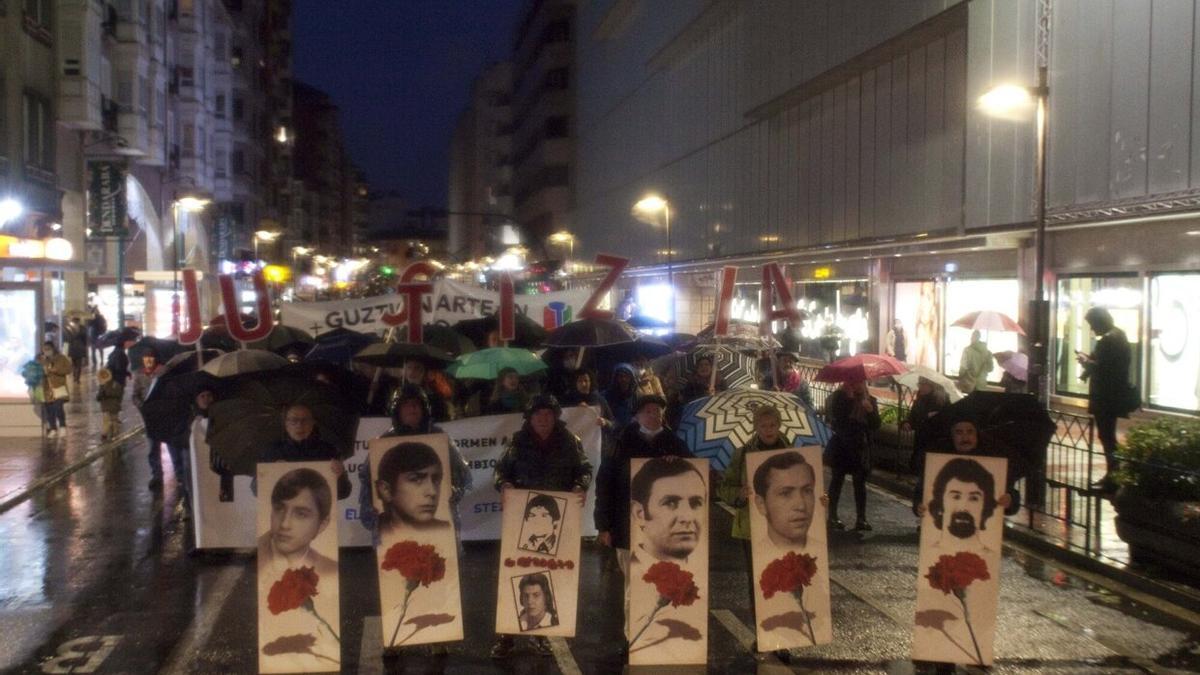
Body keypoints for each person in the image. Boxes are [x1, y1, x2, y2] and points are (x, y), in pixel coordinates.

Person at [491, 394, 592, 658]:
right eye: (538, 415)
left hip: (555, 521)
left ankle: (543, 632)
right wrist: (505, 485)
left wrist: (580, 486)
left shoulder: (571, 441)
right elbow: (500, 470)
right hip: (522, 518)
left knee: (549, 578)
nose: (543, 419)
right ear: (530, 418)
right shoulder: (517, 441)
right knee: (515, 576)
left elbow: (584, 469)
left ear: (555, 417)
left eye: (548, 414)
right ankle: (507, 636)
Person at [360, 384, 471, 543]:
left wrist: (452, 491)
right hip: (393, 540)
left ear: (424, 409)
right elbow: (367, 482)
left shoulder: (439, 438)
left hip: (440, 539)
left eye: (416, 404)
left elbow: (462, 475)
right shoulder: (384, 443)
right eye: (406, 404)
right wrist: (371, 510)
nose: (412, 408)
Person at [595, 395, 693, 571]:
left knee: (663, 583)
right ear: (637, 416)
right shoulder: (621, 443)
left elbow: (693, 476)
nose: (653, 415)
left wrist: (679, 462)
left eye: (657, 411)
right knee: (632, 582)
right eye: (647, 411)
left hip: (665, 531)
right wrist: (603, 526)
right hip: (625, 525)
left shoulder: (676, 443)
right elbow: (605, 486)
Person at [1077, 306, 1136, 489]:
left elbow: (1104, 368)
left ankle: (1114, 475)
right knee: (1107, 435)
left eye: (1093, 325)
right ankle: (1115, 473)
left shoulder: (1109, 340)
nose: (1093, 329)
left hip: (1105, 397)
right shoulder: (1119, 335)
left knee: (1107, 436)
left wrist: (1086, 362)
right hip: (1113, 395)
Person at [912, 416, 1018, 518]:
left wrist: (1010, 500)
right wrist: (918, 506)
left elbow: (1011, 493)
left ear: (976, 435)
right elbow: (921, 490)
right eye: (959, 432)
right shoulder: (937, 461)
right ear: (952, 436)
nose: (965, 437)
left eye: (970, 431)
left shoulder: (992, 462)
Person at [257, 466, 338, 579]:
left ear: (322, 525)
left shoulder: (331, 571)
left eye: (301, 514)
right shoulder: (251, 560)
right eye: (279, 508)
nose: (284, 524)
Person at [260, 403, 351, 500]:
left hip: (317, 512)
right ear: (286, 424)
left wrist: (340, 476)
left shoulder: (328, 451)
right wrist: (270, 473)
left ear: (313, 423)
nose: (299, 424)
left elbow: (344, 492)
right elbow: (256, 490)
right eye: (294, 420)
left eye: (305, 420)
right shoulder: (271, 451)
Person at [825, 380, 880, 531]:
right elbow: (836, 420)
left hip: (860, 447)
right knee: (837, 480)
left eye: (861, 381)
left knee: (860, 483)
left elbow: (876, 425)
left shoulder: (871, 400)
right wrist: (848, 401)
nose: (858, 384)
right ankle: (832, 516)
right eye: (855, 380)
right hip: (842, 445)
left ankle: (861, 518)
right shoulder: (839, 397)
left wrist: (870, 411)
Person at [630, 456, 706, 563]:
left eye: (696, 503)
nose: (688, 517)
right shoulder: (632, 572)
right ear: (639, 514)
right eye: (670, 503)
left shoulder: (699, 575)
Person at [374, 442, 449, 536]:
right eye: (416, 479)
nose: (432, 492)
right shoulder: (371, 532)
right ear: (386, 490)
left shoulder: (448, 530)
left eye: (436, 480)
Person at [903, 378, 950, 479]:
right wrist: (907, 422)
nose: (920, 386)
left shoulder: (941, 400)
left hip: (935, 442)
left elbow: (946, 421)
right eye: (919, 384)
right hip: (920, 439)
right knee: (919, 470)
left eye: (923, 384)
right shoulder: (920, 398)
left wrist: (930, 416)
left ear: (931, 385)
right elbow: (913, 416)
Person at [399, 358, 452, 422]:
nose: (412, 372)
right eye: (409, 368)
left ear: (423, 372)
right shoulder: (400, 395)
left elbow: (442, 419)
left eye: (417, 368)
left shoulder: (434, 396)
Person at [37, 341, 72, 436]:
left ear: (53, 349)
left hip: (58, 387)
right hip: (47, 388)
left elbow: (68, 369)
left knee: (58, 407)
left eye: (48, 349)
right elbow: (38, 372)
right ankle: (53, 428)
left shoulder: (61, 358)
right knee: (49, 410)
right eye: (44, 349)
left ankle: (62, 426)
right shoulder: (42, 360)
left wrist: (56, 370)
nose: (46, 351)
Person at [604, 363, 640, 430]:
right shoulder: (607, 395)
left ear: (631, 378)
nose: (624, 379)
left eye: (626, 376)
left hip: (631, 431)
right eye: (621, 376)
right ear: (616, 378)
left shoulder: (636, 395)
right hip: (613, 431)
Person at [96, 367, 124, 441]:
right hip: (106, 406)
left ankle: (114, 434)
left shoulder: (115, 384)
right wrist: (100, 396)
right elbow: (98, 396)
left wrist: (106, 394)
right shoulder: (102, 385)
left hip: (114, 406)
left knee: (114, 421)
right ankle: (104, 434)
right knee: (107, 421)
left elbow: (118, 394)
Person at [64, 317, 88, 384]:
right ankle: (76, 378)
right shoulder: (82, 328)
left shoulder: (67, 328)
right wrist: (85, 346)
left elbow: (66, 339)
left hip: (72, 348)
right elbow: (85, 339)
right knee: (78, 364)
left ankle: (75, 377)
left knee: (75, 364)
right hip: (79, 347)